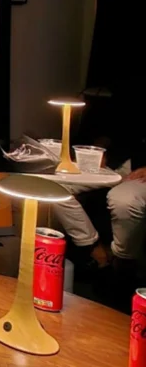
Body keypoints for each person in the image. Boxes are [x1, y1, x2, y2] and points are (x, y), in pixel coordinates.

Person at [50, 93, 146, 269]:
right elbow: (115, 130)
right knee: (53, 186)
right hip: (117, 162)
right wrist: (100, 149)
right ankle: (91, 246)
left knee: (123, 200)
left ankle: (123, 263)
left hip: (141, 174)